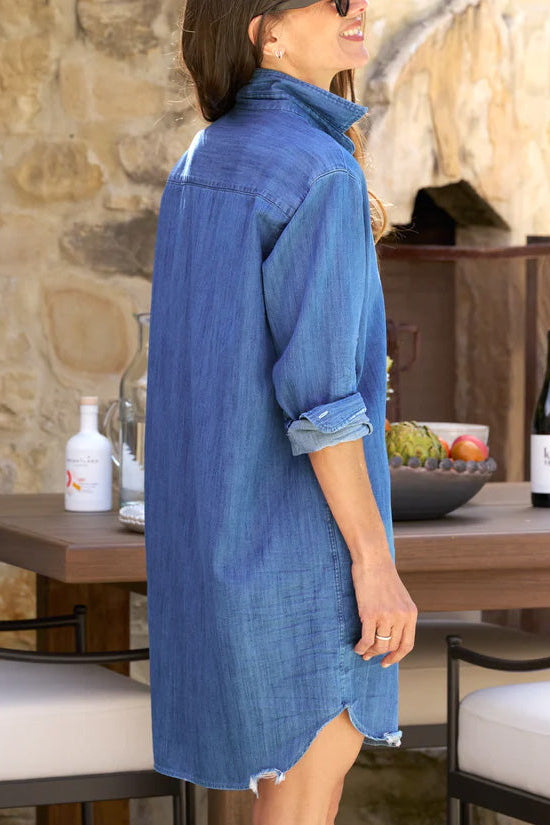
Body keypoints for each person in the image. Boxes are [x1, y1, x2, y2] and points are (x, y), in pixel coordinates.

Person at [143, 0, 418, 823]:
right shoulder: (320, 170)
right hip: (301, 557)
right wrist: (375, 564)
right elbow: (324, 401)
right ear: (266, 30)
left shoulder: (203, 159)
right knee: (302, 802)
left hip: (216, 551)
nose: (358, 8)